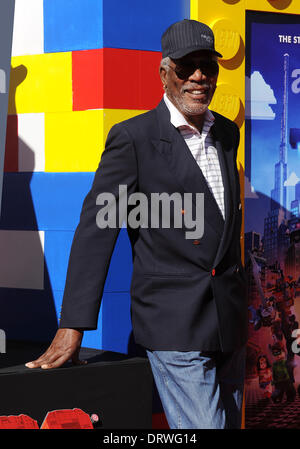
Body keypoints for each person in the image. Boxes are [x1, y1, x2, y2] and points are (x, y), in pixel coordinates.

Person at [25, 19, 248, 429]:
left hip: (228, 325)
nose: (199, 76)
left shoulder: (228, 133)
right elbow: (98, 229)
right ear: (165, 74)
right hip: (173, 323)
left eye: (208, 66)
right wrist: (74, 323)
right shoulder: (134, 138)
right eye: (187, 66)